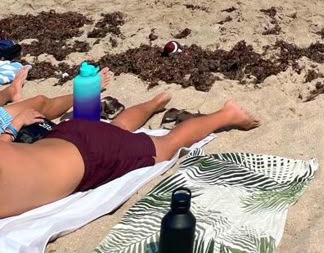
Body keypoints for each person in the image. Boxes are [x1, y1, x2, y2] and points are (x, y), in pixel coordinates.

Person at [0, 91, 259, 217]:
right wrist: (12, 127)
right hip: (64, 137)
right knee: (118, 129)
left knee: (167, 145)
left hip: (91, 156)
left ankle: (228, 114)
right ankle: (154, 103)